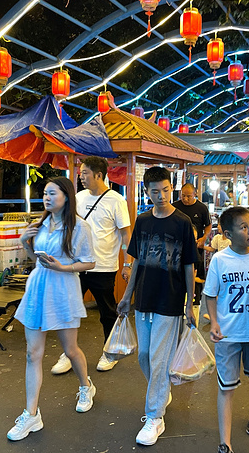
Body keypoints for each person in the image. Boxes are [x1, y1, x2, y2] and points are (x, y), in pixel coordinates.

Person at [9, 177, 97, 441]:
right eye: (44, 193)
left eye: (52, 193)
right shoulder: (40, 224)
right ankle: (31, 414)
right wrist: (25, 242)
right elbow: (37, 260)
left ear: (66, 196)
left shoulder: (79, 227)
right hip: (38, 288)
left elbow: (89, 262)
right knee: (32, 354)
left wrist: (64, 267)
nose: (46, 198)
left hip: (63, 289)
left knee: (70, 350)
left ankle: (86, 386)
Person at [117, 166, 197, 446]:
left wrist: (190, 302)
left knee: (160, 359)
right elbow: (137, 261)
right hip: (144, 297)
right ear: (147, 192)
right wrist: (127, 296)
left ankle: (155, 416)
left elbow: (189, 265)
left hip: (171, 298)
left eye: (165, 190)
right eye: (155, 191)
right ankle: (161, 392)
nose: (161, 196)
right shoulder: (142, 221)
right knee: (145, 355)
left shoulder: (183, 222)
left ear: (171, 188)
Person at [52, 157, 132, 375]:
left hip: (103, 266)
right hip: (77, 265)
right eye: (81, 173)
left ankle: (110, 352)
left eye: (85, 173)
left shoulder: (116, 201)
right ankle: (68, 353)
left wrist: (127, 263)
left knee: (107, 313)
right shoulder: (79, 197)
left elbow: (126, 234)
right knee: (70, 311)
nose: (81, 176)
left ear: (99, 175)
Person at [204, 207, 249, 453]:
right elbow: (210, 294)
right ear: (228, 235)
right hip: (227, 335)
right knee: (226, 387)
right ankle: (225, 443)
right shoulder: (220, 260)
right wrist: (214, 322)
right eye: (243, 227)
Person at [172, 183, 212, 311]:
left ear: (195, 194)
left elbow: (208, 225)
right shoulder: (174, 207)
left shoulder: (201, 208)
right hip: (177, 248)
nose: (185, 199)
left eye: (188, 196)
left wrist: (204, 237)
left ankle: (195, 302)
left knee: (196, 273)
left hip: (196, 247)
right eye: (183, 195)